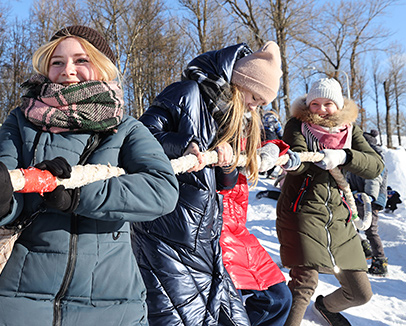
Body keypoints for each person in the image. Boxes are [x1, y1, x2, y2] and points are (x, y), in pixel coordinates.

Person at [0, 25, 179, 326]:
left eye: (81, 60)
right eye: (57, 62)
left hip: (110, 305)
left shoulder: (125, 128)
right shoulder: (21, 121)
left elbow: (162, 189)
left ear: (102, 67)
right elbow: (7, 195)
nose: (68, 70)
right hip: (15, 302)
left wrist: (78, 195)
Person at [132, 41, 296, 325]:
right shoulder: (186, 93)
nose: (256, 106)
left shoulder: (234, 117)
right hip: (168, 228)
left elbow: (224, 184)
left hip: (206, 233)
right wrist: (185, 145)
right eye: (256, 96)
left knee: (261, 306)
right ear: (241, 82)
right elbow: (141, 138)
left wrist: (227, 162)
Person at [276, 78, 385, 326]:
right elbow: (298, 156)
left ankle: (325, 308)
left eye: (328, 104)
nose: (321, 110)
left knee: (360, 293)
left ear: (338, 105)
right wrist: (294, 161)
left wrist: (345, 156)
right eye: (315, 103)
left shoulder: (350, 130)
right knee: (305, 282)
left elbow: (375, 165)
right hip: (302, 209)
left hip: (339, 214)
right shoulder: (297, 125)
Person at [220, 172, 292, 326]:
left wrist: (273, 148)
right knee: (232, 311)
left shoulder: (238, 169)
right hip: (212, 241)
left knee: (280, 298)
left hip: (238, 236)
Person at [346, 129, 389, 277]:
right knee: (349, 225)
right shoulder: (358, 158)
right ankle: (363, 248)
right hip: (357, 197)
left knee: (371, 231)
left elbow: (374, 179)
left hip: (371, 201)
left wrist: (369, 196)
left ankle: (380, 261)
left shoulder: (374, 159)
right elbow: (348, 177)